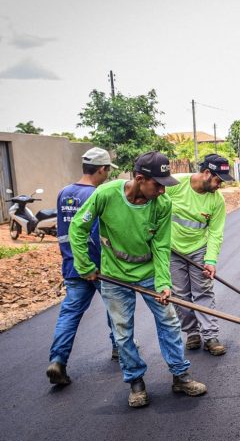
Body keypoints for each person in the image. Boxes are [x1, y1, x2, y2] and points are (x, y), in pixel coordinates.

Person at [69, 151, 206, 408]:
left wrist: (164, 283)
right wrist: (85, 265)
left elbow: (162, 247)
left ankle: (180, 375)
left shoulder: (162, 206)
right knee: (123, 332)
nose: (163, 191)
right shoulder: (106, 194)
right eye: (158, 185)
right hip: (114, 275)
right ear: (140, 178)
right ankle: (136, 382)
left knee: (170, 322)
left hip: (150, 273)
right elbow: (78, 227)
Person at [46, 147, 118, 386]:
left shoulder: (63, 193)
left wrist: (73, 262)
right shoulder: (96, 195)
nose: (108, 174)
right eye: (108, 170)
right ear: (101, 169)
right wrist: (98, 266)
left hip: (72, 265)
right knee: (114, 306)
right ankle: (119, 346)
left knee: (70, 313)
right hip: (96, 266)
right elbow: (96, 235)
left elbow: (63, 232)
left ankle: (58, 360)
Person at [167, 154, 232, 356]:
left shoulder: (216, 201)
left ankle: (211, 336)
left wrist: (210, 260)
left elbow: (215, 233)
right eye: (218, 180)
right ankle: (192, 333)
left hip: (199, 249)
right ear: (206, 173)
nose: (220, 185)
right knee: (180, 294)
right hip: (172, 249)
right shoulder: (175, 185)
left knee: (203, 291)